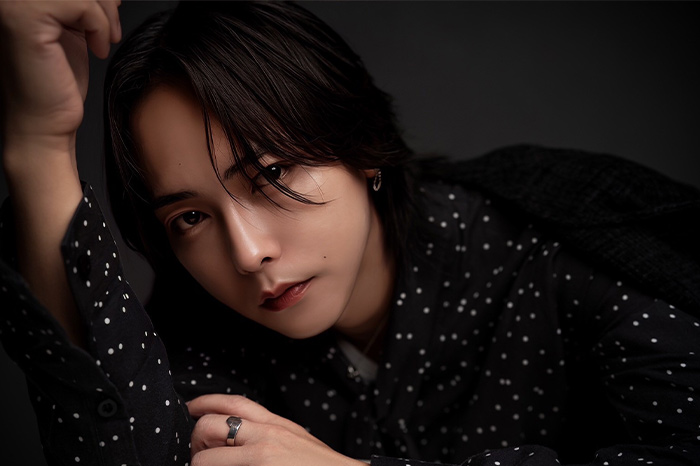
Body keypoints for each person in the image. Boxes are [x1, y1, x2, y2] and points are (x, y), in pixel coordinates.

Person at [1, 2, 699, 466]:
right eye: (190, 218)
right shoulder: (201, 334)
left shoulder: (557, 250)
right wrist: (39, 143)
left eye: (270, 173)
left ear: (360, 144)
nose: (248, 253)